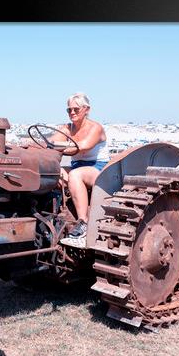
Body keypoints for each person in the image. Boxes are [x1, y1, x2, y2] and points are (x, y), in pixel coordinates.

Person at [51, 92, 110, 243]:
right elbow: (51, 142)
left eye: (76, 109)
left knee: (75, 175)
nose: (72, 113)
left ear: (86, 109)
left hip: (98, 169)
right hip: (77, 167)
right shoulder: (67, 128)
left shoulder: (95, 128)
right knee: (51, 171)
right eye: (69, 110)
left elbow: (82, 147)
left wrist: (60, 146)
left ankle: (83, 222)